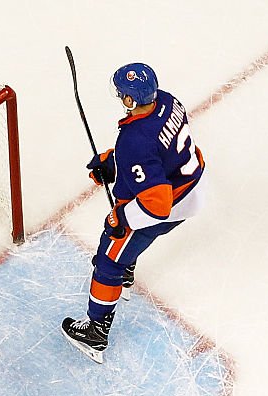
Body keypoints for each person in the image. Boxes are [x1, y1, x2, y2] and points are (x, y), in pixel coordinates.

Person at [62, 62, 206, 363]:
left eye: (121, 95)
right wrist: (114, 163)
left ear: (130, 100)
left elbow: (157, 205)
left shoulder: (135, 142)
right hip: (188, 185)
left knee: (108, 258)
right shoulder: (166, 100)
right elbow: (157, 153)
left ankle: (95, 333)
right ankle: (126, 273)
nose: (119, 98)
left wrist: (122, 219)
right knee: (129, 243)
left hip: (170, 203)